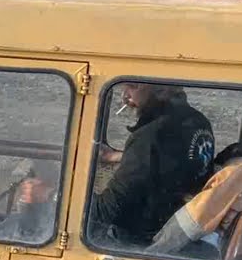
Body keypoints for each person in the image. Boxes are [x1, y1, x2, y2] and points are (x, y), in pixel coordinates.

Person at [90, 83, 216, 247]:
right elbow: (172, 161)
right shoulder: (198, 122)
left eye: (133, 86)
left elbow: (107, 211)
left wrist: (53, 194)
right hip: (174, 219)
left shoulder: (150, 136)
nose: (125, 95)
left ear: (162, 90)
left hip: (138, 238)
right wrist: (119, 156)